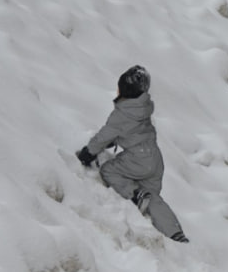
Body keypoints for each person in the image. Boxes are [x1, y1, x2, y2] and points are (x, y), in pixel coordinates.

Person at [77, 65, 189, 243]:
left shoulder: (121, 114)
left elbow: (104, 136)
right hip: (155, 159)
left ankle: (135, 194)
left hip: (139, 158)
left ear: (125, 90)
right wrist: (117, 140)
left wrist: (88, 153)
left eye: (119, 87)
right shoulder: (143, 107)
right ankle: (175, 232)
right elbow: (133, 131)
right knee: (153, 198)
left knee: (108, 170)